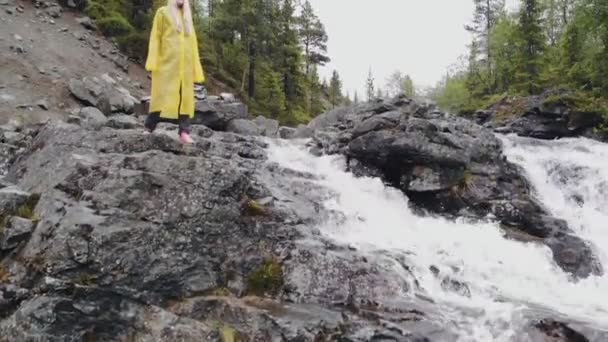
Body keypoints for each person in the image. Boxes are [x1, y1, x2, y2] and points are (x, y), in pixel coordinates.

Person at [144, 0, 204, 144]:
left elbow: (193, 44)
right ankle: (149, 126)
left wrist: (196, 68)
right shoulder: (163, 12)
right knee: (161, 95)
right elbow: (155, 37)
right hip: (167, 64)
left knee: (185, 99)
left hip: (186, 67)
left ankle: (184, 132)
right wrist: (153, 60)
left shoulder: (187, 17)